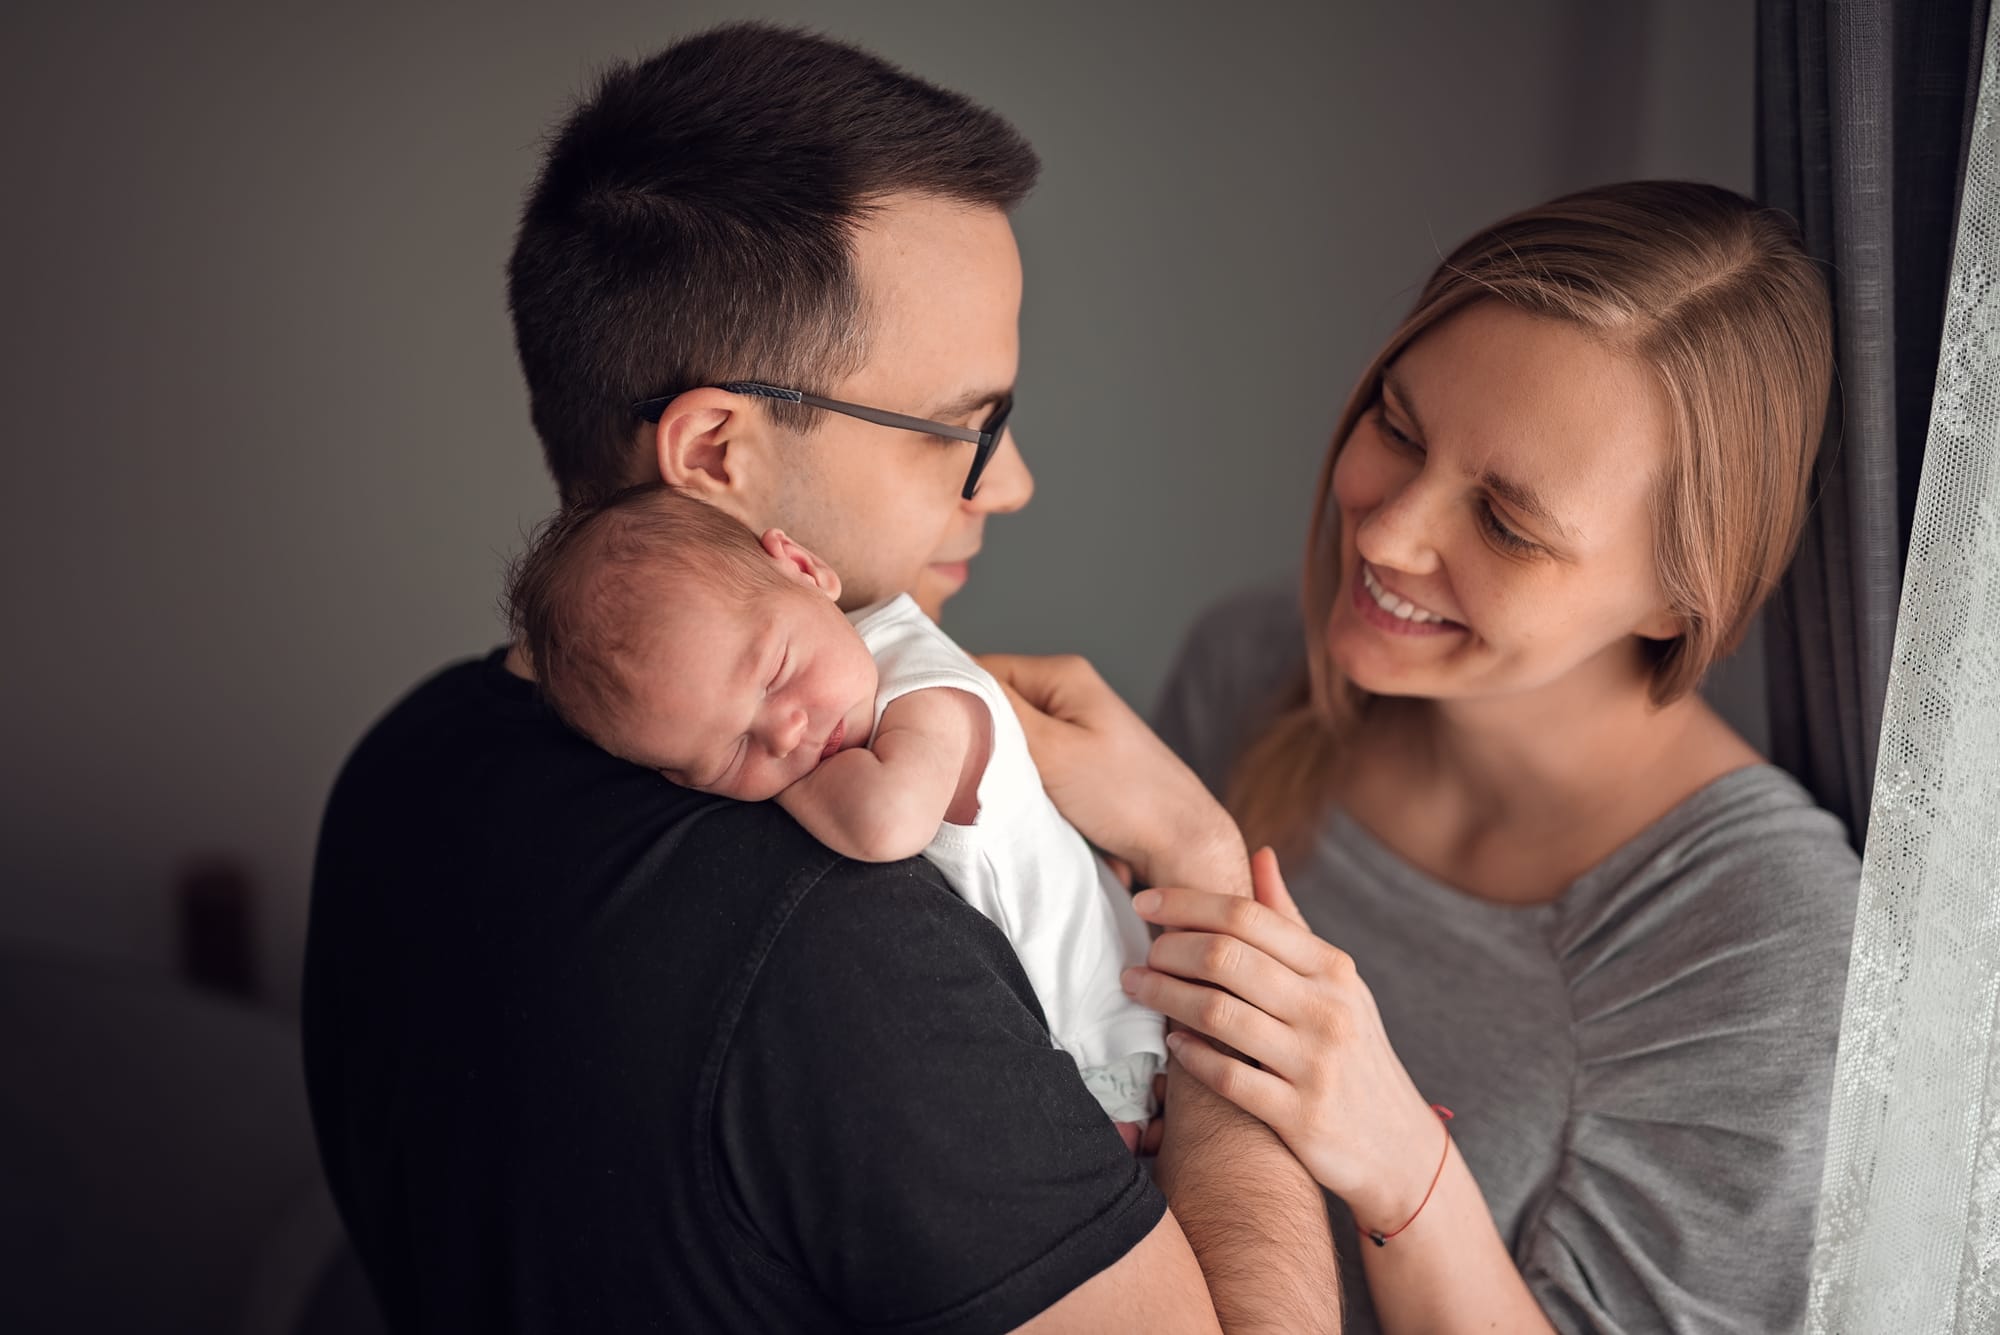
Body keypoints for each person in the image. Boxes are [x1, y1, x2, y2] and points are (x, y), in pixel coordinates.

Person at [301, 22, 1337, 1335]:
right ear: (719, 452)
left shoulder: (404, 760)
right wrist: (1198, 858)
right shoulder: (843, 934)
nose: (1007, 482)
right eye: (963, 428)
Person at [989, 180, 1860, 1333]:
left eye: (1504, 523)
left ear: (1675, 599)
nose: (1387, 532)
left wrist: (1399, 1159)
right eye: (1396, 427)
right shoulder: (1250, 673)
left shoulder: (1772, 947)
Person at [503, 483, 1165, 1147]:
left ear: (804, 569)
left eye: (774, 674)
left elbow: (887, 821)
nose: (785, 735)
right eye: (729, 751)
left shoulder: (922, 679)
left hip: (1105, 1030)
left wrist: (769, 784)